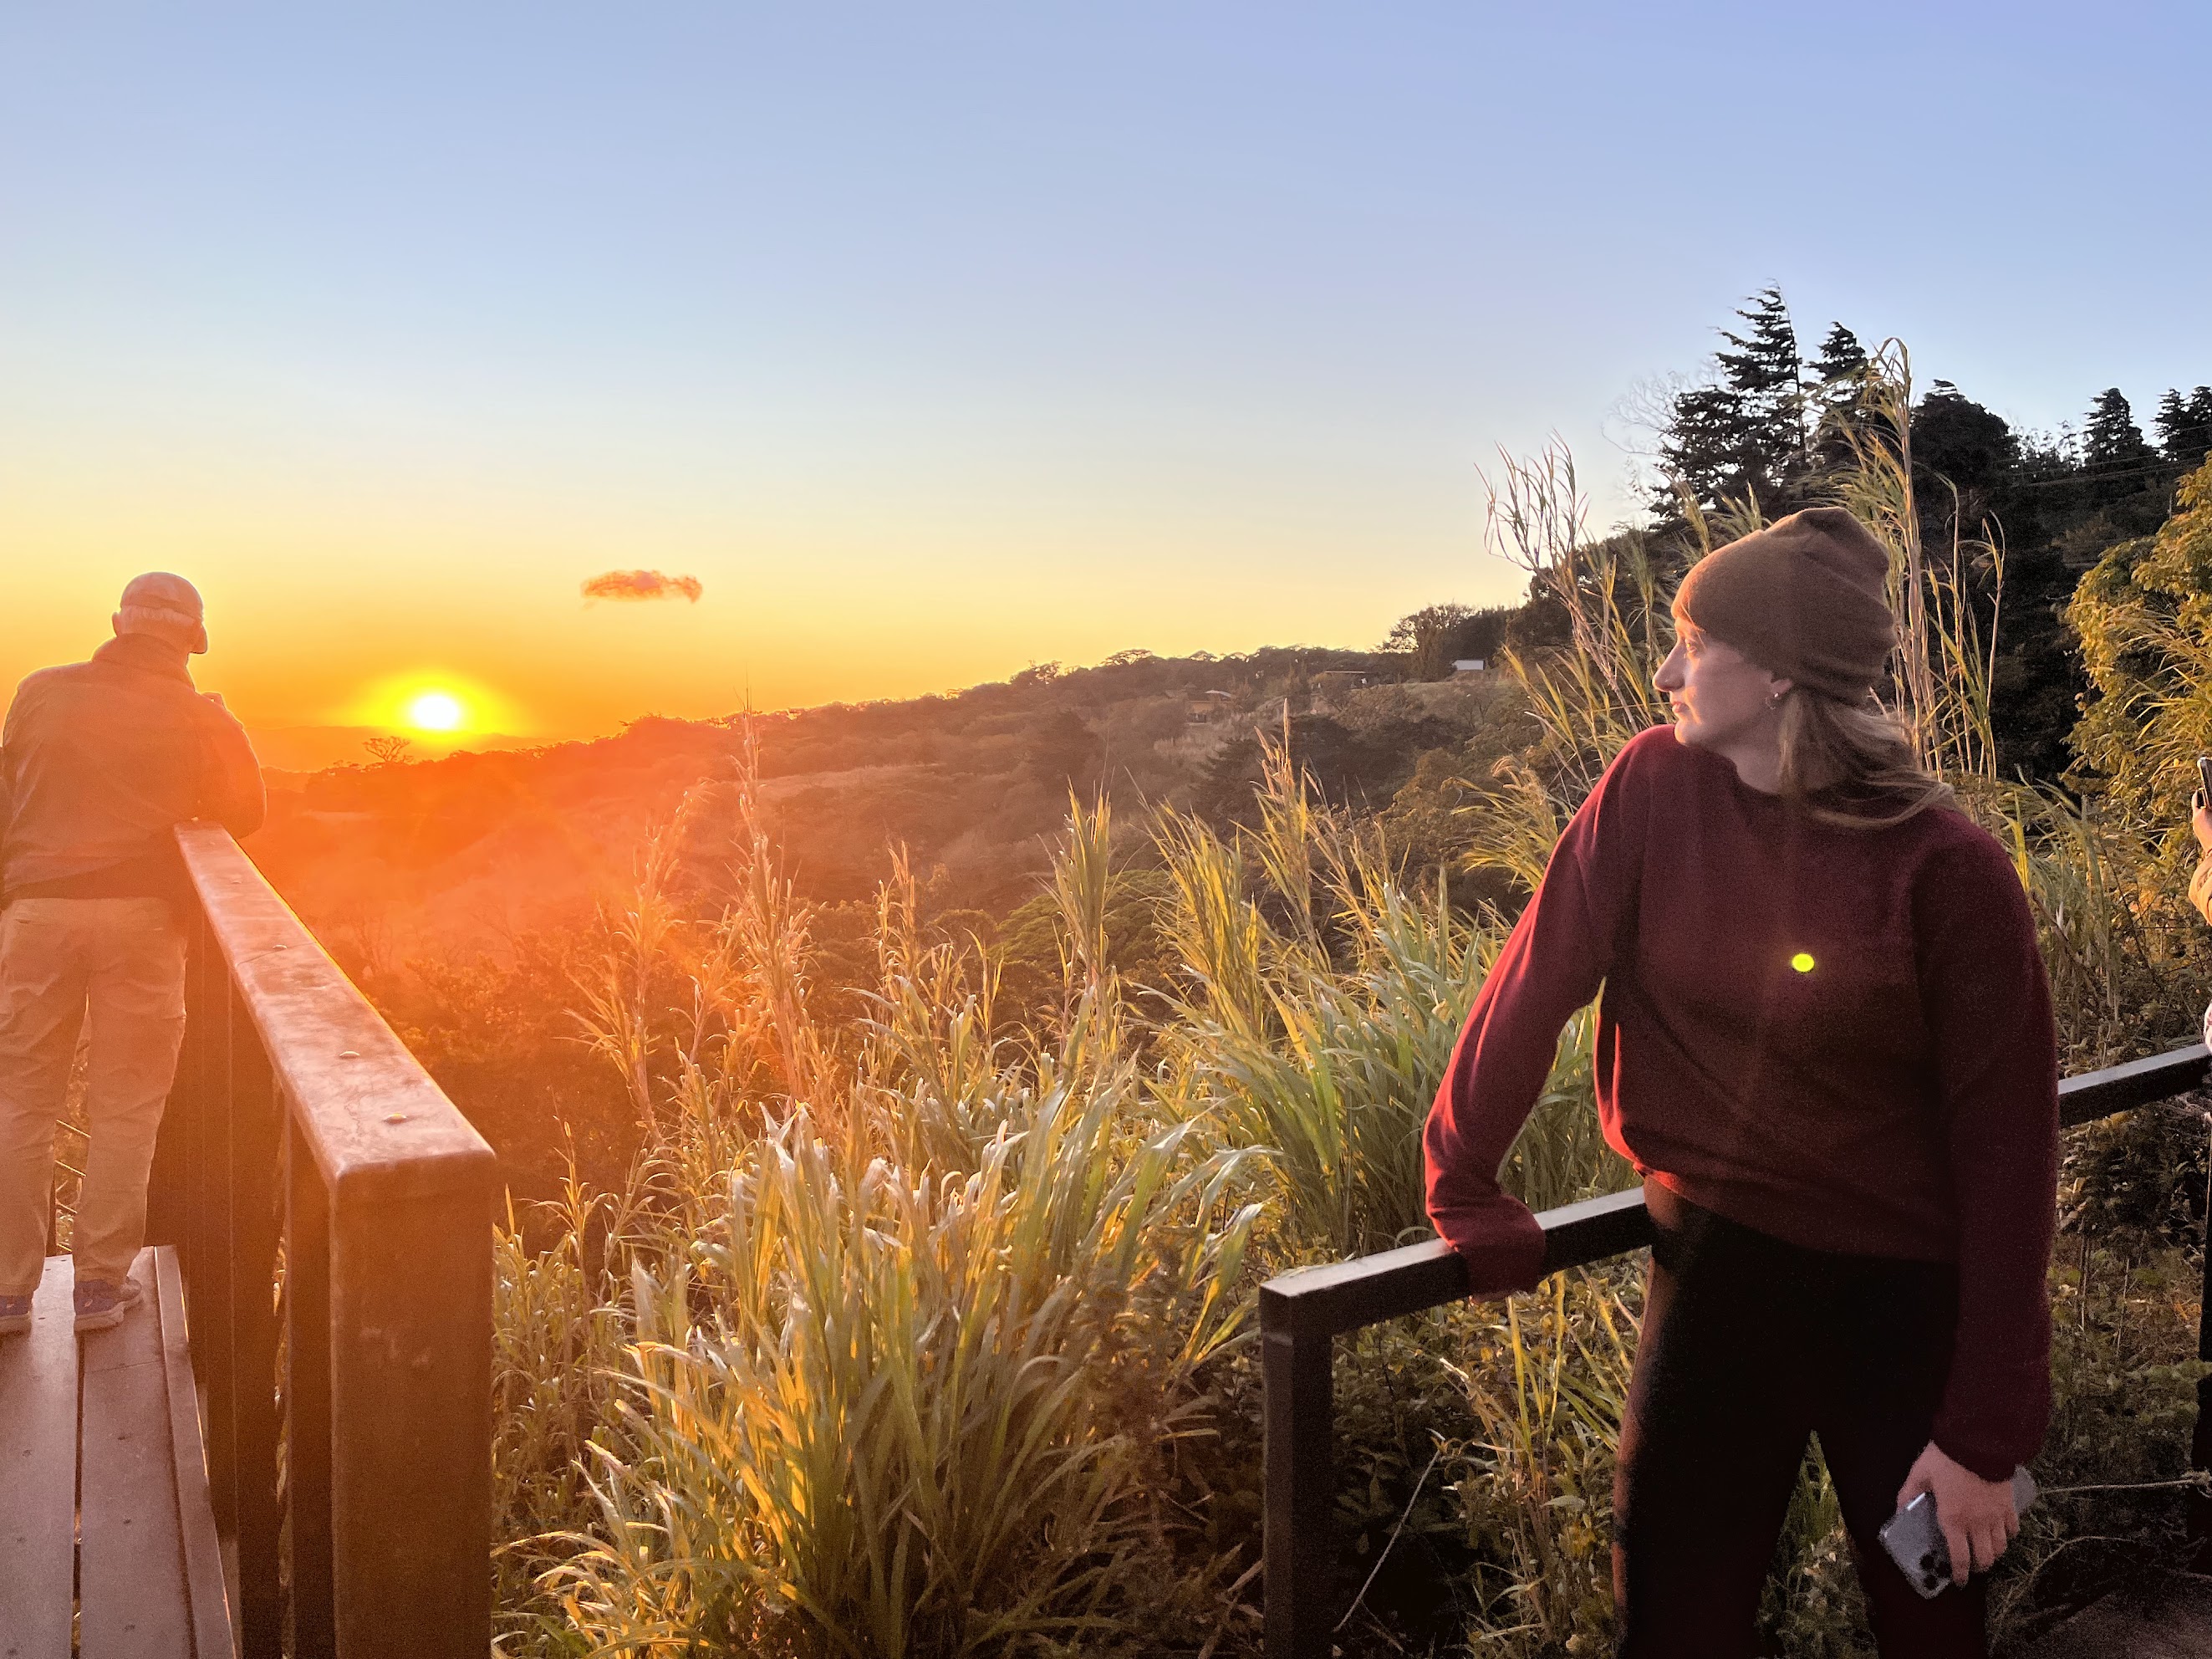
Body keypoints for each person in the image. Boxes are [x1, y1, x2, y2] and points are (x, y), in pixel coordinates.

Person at [1425, 508, 2059, 1657]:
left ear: (1775, 674)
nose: (1666, 673)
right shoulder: (1650, 787)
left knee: (1929, 1629)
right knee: (1672, 1626)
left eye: (1693, 644)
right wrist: (1464, 1181)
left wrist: (1982, 1436)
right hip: (1712, 1276)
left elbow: (2009, 1157)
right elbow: (1534, 977)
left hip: (1902, 1307)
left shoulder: (1948, 872)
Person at [0, 574, 263, 1338]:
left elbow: (10, 785)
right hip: (143, 919)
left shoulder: (40, 691)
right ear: (193, 639)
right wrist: (220, 726)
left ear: (118, 623)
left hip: (37, 913)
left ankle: (10, 1294)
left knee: (20, 1102)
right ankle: (97, 1290)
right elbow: (246, 812)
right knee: (127, 1106)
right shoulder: (195, 712)